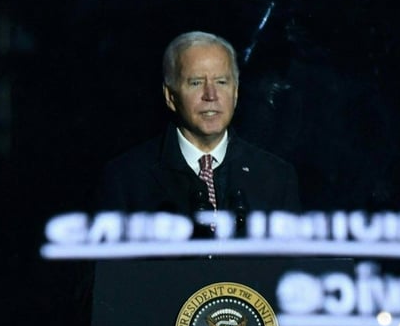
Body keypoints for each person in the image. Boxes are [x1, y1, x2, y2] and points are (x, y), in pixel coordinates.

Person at [96, 30, 301, 232]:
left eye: (221, 82)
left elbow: (289, 263)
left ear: (236, 92)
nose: (211, 95)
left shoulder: (278, 177)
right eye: (196, 83)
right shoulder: (126, 179)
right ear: (170, 96)